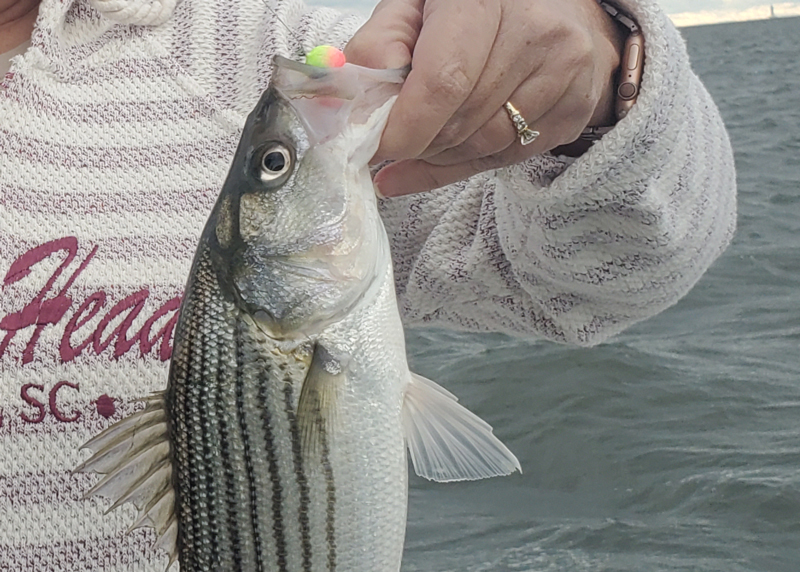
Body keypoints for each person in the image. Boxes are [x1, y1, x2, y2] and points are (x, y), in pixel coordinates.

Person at [0, 0, 735, 567]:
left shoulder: (270, 58)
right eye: (277, 165)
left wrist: (595, 89)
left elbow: (619, 272)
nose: (288, 155)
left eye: (273, 168)